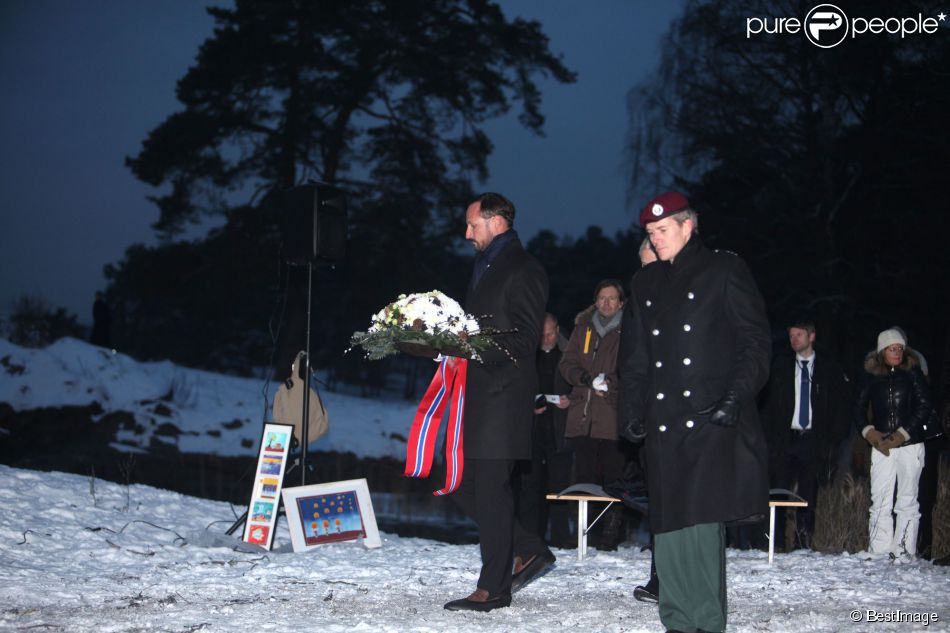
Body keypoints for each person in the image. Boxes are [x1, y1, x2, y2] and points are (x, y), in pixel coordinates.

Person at [617, 191, 771, 633]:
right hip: (662, 421)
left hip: (708, 416)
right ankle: (678, 620)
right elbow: (636, 357)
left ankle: (705, 620)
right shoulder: (645, 282)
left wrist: (735, 396)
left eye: (662, 231)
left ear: (689, 225)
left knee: (700, 523)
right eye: (650, 233)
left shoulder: (725, 269)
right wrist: (632, 409)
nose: (656, 240)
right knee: (667, 524)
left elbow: (755, 343)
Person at [443, 192, 555, 612]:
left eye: (473, 224)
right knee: (458, 483)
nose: (467, 232)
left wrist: (471, 345)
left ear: (496, 222)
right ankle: (529, 547)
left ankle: (493, 588)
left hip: (503, 398)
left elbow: (526, 339)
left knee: (490, 489)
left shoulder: (524, 268)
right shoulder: (484, 266)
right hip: (477, 397)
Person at [761, 319, 850, 550]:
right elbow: (768, 404)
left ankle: (803, 543)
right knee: (779, 490)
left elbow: (840, 406)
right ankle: (777, 542)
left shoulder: (828, 369)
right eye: (791, 335)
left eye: (799, 335)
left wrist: (833, 440)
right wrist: (770, 437)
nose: (794, 340)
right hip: (785, 438)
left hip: (813, 439)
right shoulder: (780, 366)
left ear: (811, 337)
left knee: (808, 493)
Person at [559, 279, 628, 550]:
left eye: (612, 298)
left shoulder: (628, 330)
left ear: (621, 302)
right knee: (584, 477)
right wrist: (586, 378)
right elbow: (567, 364)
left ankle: (610, 534)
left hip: (612, 418)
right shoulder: (582, 328)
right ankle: (585, 533)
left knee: (613, 478)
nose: (606, 303)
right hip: (583, 418)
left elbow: (631, 367)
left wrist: (610, 384)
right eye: (602, 298)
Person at [853, 328, 932, 558]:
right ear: (882, 351)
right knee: (879, 499)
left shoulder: (913, 373)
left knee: (907, 500)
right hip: (881, 446)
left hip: (910, 444)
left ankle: (904, 551)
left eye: (899, 348)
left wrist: (902, 434)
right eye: (891, 348)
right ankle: (878, 550)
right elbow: (857, 408)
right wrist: (871, 433)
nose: (897, 352)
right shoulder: (870, 376)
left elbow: (925, 406)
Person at [514, 313, 573, 548]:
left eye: (550, 333)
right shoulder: (528, 355)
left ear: (557, 330)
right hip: (533, 431)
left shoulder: (570, 353)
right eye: (542, 334)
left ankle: (562, 539)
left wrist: (571, 399)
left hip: (560, 430)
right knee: (530, 487)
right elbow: (517, 389)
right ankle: (530, 539)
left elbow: (580, 384)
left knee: (560, 488)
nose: (546, 338)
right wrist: (529, 406)